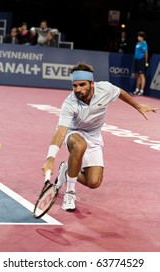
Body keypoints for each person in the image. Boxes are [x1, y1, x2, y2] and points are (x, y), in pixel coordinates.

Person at [42, 62, 158, 212]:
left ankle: (66, 170)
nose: (78, 89)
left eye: (82, 85)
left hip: (94, 135)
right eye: (75, 85)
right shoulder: (69, 103)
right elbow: (61, 131)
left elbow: (120, 92)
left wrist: (137, 106)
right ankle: (70, 193)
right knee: (79, 145)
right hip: (73, 132)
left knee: (94, 182)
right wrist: (50, 158)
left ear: (92, 83)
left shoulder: (105, 89)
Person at [133, 31, 148, 96]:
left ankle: (141, 90)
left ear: (142, 37)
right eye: (138, 36)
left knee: (142, 75)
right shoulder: (138, 43)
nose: (138, 37)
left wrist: (146, 61)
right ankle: (137, 89)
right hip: (136, 60)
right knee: (138, 75)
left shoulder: (144, 43)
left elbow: (146, 53)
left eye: (140, 36)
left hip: (141, 60)